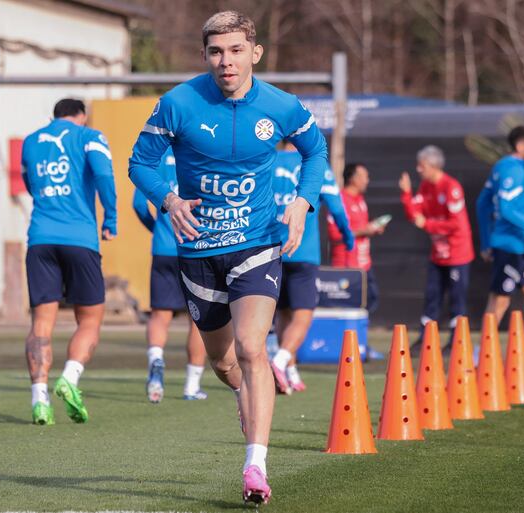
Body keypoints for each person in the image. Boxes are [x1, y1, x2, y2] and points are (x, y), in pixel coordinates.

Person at [128, 11, 327, 505]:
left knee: (252, 346)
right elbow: (139, 163)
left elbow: (316, 152)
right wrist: (170, 200)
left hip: (257, 243)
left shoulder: (281, 106)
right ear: (205, 56)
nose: (227, 61)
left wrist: (302, 202)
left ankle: (255, 465)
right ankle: (247, 392)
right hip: (197, 250)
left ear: (255, 53)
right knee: (222, 361)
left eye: (236, 50)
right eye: (217, 52)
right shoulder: (177, 103)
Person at [21, 98, 117, 425]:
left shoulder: (32, 141)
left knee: (41, 323)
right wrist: (111, 219)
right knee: (89, 320)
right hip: (80, 239)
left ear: (54, 116)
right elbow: (104, 175)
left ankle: (39, 398)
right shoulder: (90, 136)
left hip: (40, 239)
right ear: (82, 116)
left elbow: (30, 184)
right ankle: (70, 378)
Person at [270, 143, 354, 394]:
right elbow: (336, 207)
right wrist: (348, 235)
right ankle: (279, 361)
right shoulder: (314, 163)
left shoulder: (265, 159)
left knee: (283, 313)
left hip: (271, 250)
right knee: (303, 315)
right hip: (303, 252)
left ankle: (290, 373)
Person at [133, 147, 208, 403]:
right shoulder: (202, 149)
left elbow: (137, 203)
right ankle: (191, 385)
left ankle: (156, 361)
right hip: (196, 247)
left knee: (160, 314)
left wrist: (156, 228)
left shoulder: (156, 156)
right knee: (197, 320)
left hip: (164, 246)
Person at [476, 125, 524, 331]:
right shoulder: (513, 171)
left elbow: (482, 204)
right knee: (500, 300)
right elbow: (506, 209)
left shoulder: (503, 166)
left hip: (519, 248)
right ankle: (484, 353)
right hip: (508, 246)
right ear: (521, 145)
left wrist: (485, 242)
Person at [400, 145, 474, 353]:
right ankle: (425, 339)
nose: (418, 169)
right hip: (437, 254)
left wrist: (428, 224)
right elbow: (414, 215)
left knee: (457, 298)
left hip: (457, 254)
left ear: (433, 166)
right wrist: (406, 194)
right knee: (432, 295)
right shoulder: (425, 186)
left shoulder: (451, 187)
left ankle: (456, 341)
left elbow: (456, 224)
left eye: (422, 166)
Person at [328, 163, 385, 312]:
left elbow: (360, 227)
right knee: (349, 307)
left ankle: (358, 333)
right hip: (347, 265)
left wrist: (373, 227)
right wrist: (364, 231)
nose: (367, 180)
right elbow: (335, 234)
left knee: (371, 299)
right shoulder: (339, 200)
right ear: (353, 178)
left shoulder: (360, 200)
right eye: (364, 176)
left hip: (364, 263)